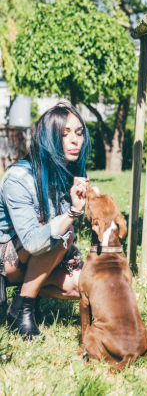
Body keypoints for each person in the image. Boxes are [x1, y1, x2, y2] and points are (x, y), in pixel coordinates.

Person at [0, 102, 90, 340]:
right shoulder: (19, 178)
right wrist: (72, 214)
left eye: (79, 133)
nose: (75, 140)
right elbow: (31, 241)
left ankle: (24, 296)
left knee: (83, 284)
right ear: (48, 139)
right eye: (64, 134)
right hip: (6, 258)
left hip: (36, 253)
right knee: (63, 235)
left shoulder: (68, 174)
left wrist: (70, 250)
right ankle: (23, 309)